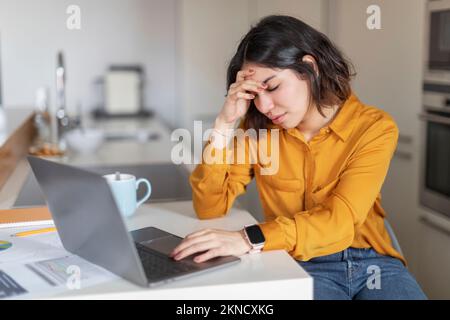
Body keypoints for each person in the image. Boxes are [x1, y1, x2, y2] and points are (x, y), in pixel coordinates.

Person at [170, 15, 427, 300]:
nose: (264, 105)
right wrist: (223, 124)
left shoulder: (374, 128)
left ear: (309, 68)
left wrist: (248, 238)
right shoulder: (259, 131)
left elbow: (339, 223)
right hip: (302, 263)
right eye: (255, 94)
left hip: (374, 263)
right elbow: (209, 207)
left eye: (272, 86)